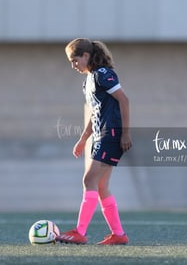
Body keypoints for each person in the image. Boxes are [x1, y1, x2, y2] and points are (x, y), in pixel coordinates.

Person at [56, 38, 132, 245]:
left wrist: (125, 133)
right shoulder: (87, 81)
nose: (73, 65)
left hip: (111, 134)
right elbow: (95, 112)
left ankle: (80, 231)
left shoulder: (103, 75)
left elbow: (124, 100)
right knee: (100, 186)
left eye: (75, 60)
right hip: (100, 136)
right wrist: (83, 139)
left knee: (88, 181)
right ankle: (119, 235)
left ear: (86, 56)